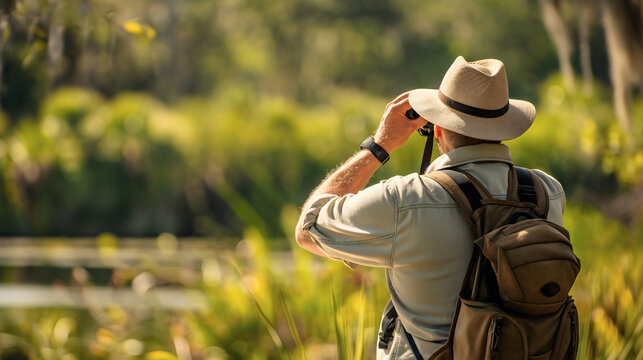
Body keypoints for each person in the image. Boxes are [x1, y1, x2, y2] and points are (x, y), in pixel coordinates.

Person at [294, 56, 566, 359]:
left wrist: (380, 144)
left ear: (437, 130)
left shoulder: (406, 200)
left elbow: (309, 225)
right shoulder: (548, 193)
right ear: (503, 127)